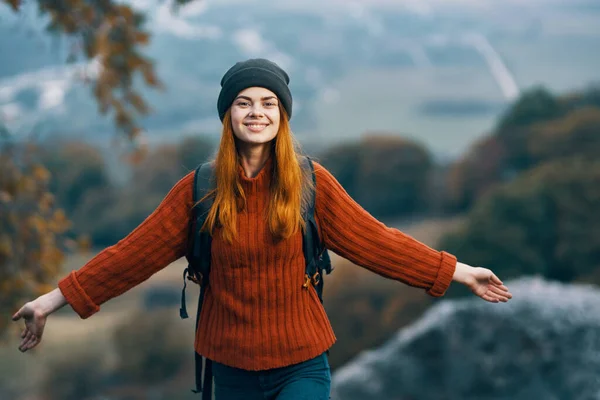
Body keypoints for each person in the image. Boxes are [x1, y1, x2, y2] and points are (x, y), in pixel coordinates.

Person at [12, 58, 513, 400]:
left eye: (268, 103)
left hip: (301, 363)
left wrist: (458, 272)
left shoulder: (311, 184)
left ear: (283, 115)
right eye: (245, 102)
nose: (257, 112)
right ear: (228, 115)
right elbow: (130, 257)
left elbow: (378, 242)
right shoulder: (200, 190)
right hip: (228, 369)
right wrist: (50, 301)